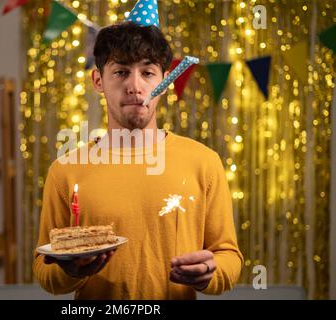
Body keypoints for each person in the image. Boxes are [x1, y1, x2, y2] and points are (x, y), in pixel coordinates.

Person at [33, 0, 243, 299]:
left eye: (147, 73)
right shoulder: (65, 171)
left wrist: (210, 273)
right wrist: (70, 271)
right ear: (98, 81)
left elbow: (228, 257)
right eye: (120, 72)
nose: (134, 86)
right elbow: (44, 269)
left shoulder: (204, 163)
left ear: (165, 81)